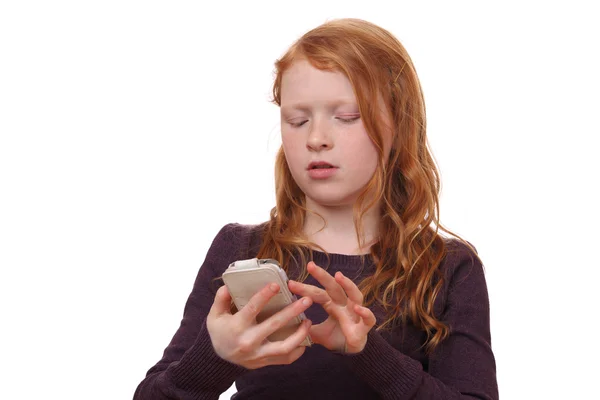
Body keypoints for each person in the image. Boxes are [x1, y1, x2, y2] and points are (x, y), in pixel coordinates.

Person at [134, 18, 498, 400]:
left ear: (400, 128)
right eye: (297, 120)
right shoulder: (238, 249)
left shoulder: (448, 267)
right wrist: (218, 357)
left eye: (346, 118)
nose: (316, 138)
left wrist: (368, 352)